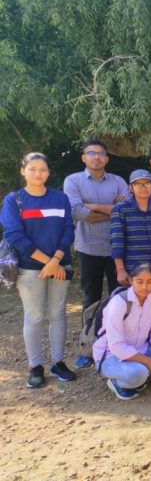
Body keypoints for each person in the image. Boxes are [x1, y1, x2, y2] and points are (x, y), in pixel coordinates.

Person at [1, 152, 76, 388]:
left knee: (57, 314)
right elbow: (14, 236)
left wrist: (56, 260)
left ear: (48, 173)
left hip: (59, 264)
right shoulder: (15, 200)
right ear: (23, 171)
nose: (38, 174)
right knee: (33, 317)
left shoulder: (60, 198)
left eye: (42, 169)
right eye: (32, 169)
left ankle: (58, 362)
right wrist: (48, 263)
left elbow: (68, 231)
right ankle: (35, 366)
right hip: (29, 268)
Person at [63, 139, 129, 368]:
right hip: (88, 248)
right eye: (91, 153)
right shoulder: (73, 181)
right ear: (84, 157)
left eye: (101, 153)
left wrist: (93, 205)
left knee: (118, 297)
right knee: (90, 298)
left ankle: (115, 344)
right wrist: (112, 209)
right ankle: (87, 347)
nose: (97, 157)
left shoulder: (118, 181)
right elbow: (78, 213)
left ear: (107, 158)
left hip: (117, 249)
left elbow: (125, 210)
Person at [94, 263, 151, 400]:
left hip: (141, 348)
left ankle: (138, 375)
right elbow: (116, 346)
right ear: (131, 281)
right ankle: (117, 381)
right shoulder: (119, 302)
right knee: (139, 373)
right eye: (139, 281)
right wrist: (150, 362)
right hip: (110, 354)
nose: (144, 287)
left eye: (150, 282)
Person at [111, 170, 151, 300]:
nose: (143, 187)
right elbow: (117, 241)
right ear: (130, 187)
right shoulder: (121, 209)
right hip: (133, 271)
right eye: (138, 184)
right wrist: (120, 269)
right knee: (133, 310)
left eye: (147, 184)